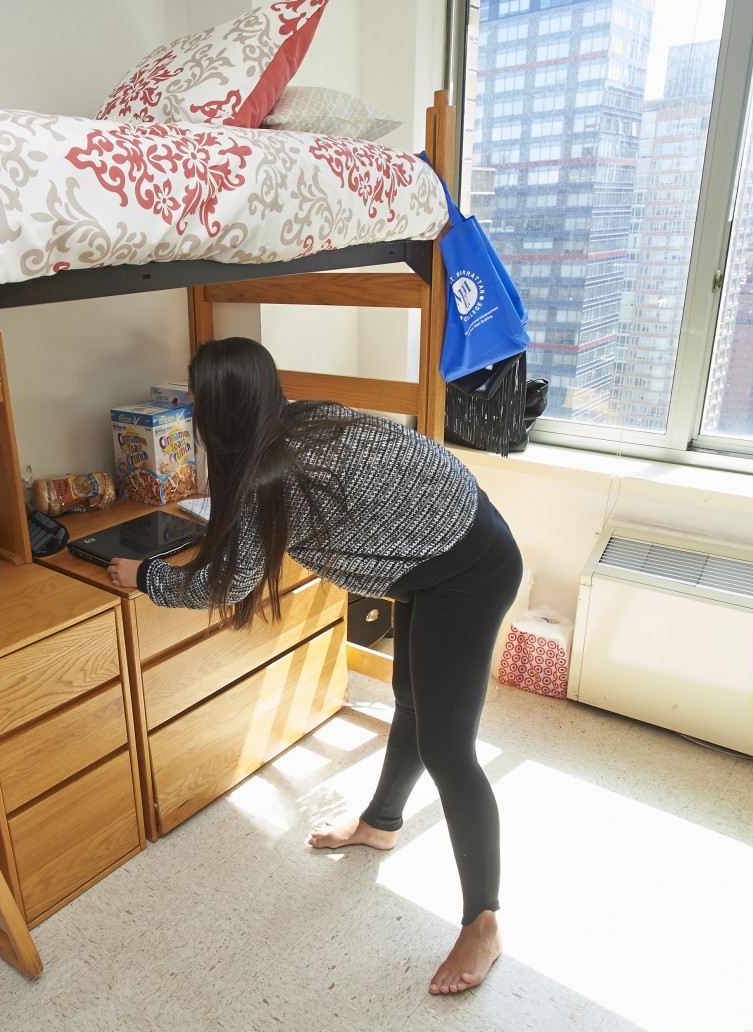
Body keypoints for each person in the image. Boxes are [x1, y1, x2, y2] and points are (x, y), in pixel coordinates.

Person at [106, 337, 523, 995]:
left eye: (195, 395)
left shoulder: (274, 476)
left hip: (468, 569)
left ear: (221, 409)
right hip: (445, 546)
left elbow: (226, 583)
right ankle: (380, 825)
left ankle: (484, 923)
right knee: (412, 697)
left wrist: (147, 576)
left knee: (450, 750)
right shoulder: (296, 420)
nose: (188, 403)